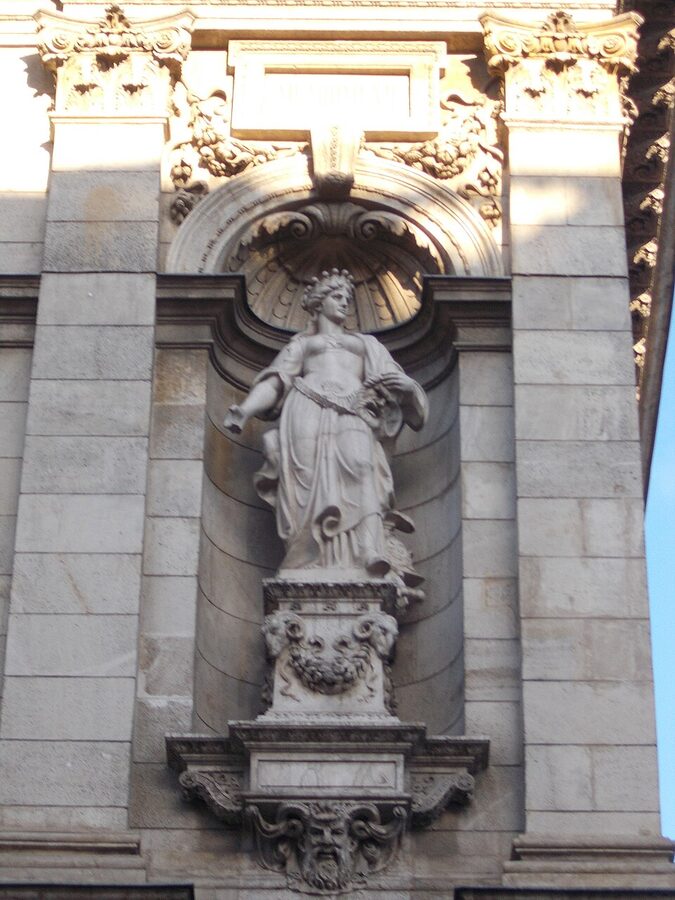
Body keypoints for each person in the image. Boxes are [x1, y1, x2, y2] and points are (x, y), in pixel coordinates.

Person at [224, 269, 428, 582]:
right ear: (319, 303)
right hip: (306, 409)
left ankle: (369, 550)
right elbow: (277, 381)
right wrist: (245, 410)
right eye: (337, 297)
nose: (345, 303)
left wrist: (407, 388)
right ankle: (308, 557)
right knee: (305, 479)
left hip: (354, 409)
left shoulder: (365, 344)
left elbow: (396, 384)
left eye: (348, 298)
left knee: (362, 467)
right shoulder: (302, 346)